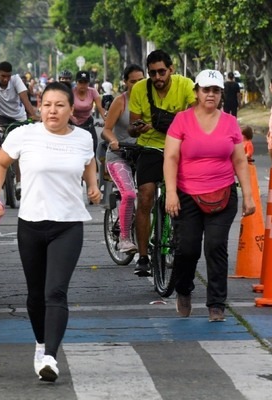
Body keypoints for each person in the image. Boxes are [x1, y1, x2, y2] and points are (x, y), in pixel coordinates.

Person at [0, 82, 102, 382]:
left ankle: (50, 355)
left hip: (68, 225)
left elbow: (90, 162)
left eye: (59, 105)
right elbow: (0, 164)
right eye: (47, 104)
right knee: (36, 295)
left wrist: (92, 184)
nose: (53, 110)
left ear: (71, 109)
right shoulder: (24, 134)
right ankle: (41, 343)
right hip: (31, 225)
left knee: (56, 291)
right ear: (40, 107)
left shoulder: (83, 138)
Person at [163, 69, 255, 322]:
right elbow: (170, 157)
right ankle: (184, 289)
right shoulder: (182, 120)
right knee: (188, 249)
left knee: (215, 246)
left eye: (215, 90)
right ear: (196, 92)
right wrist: (171, 192)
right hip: (187, 194)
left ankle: (216, 303)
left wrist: (248, 196)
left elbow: (239, 160)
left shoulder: (230, 122)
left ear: (221, 94)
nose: (210, 95)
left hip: (223, 193)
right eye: (206, 90)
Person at [128, 49, 196, 277]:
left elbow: (196, 116)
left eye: (162, 72)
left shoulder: (186, 85)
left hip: (180, 149)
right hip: (151, 148)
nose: (157, 77)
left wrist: (161, 124)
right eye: (153, 73)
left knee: (185, 197)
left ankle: (180, 241)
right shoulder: (139, 89)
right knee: (145, 195)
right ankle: (144, 256)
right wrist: (138, 128)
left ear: (171, 69)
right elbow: (132, 126)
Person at [0, 61, 39, 227]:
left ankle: (19, 182)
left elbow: (24, 98)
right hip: (0, 118)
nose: (5, 79)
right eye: (3, 76)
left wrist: (32, 114)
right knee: (3, 148)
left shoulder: (16, 80)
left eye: (8, 76)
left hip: (18, 117)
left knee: (20, 150)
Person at [101, 64, 145, 254]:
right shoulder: (121, 101)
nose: (137, 85)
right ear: (125, 82)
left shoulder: (151, 100)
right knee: (129, 194)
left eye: (141, 81)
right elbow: (106, 130)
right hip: (120, 156)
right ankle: (124, 239)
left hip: (143, 154)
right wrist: (113, 141)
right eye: (132, 81)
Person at [72, 70, 107, 151]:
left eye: (85, 82)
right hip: (72, 123)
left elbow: (100, 108)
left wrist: (107, 120)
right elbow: (66, 108)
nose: (83, 85)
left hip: (87, 122)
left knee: (94, 145)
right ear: (76, 82)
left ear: (88, 83)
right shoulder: (71, 92)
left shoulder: (93, 91)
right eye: (80, 82)